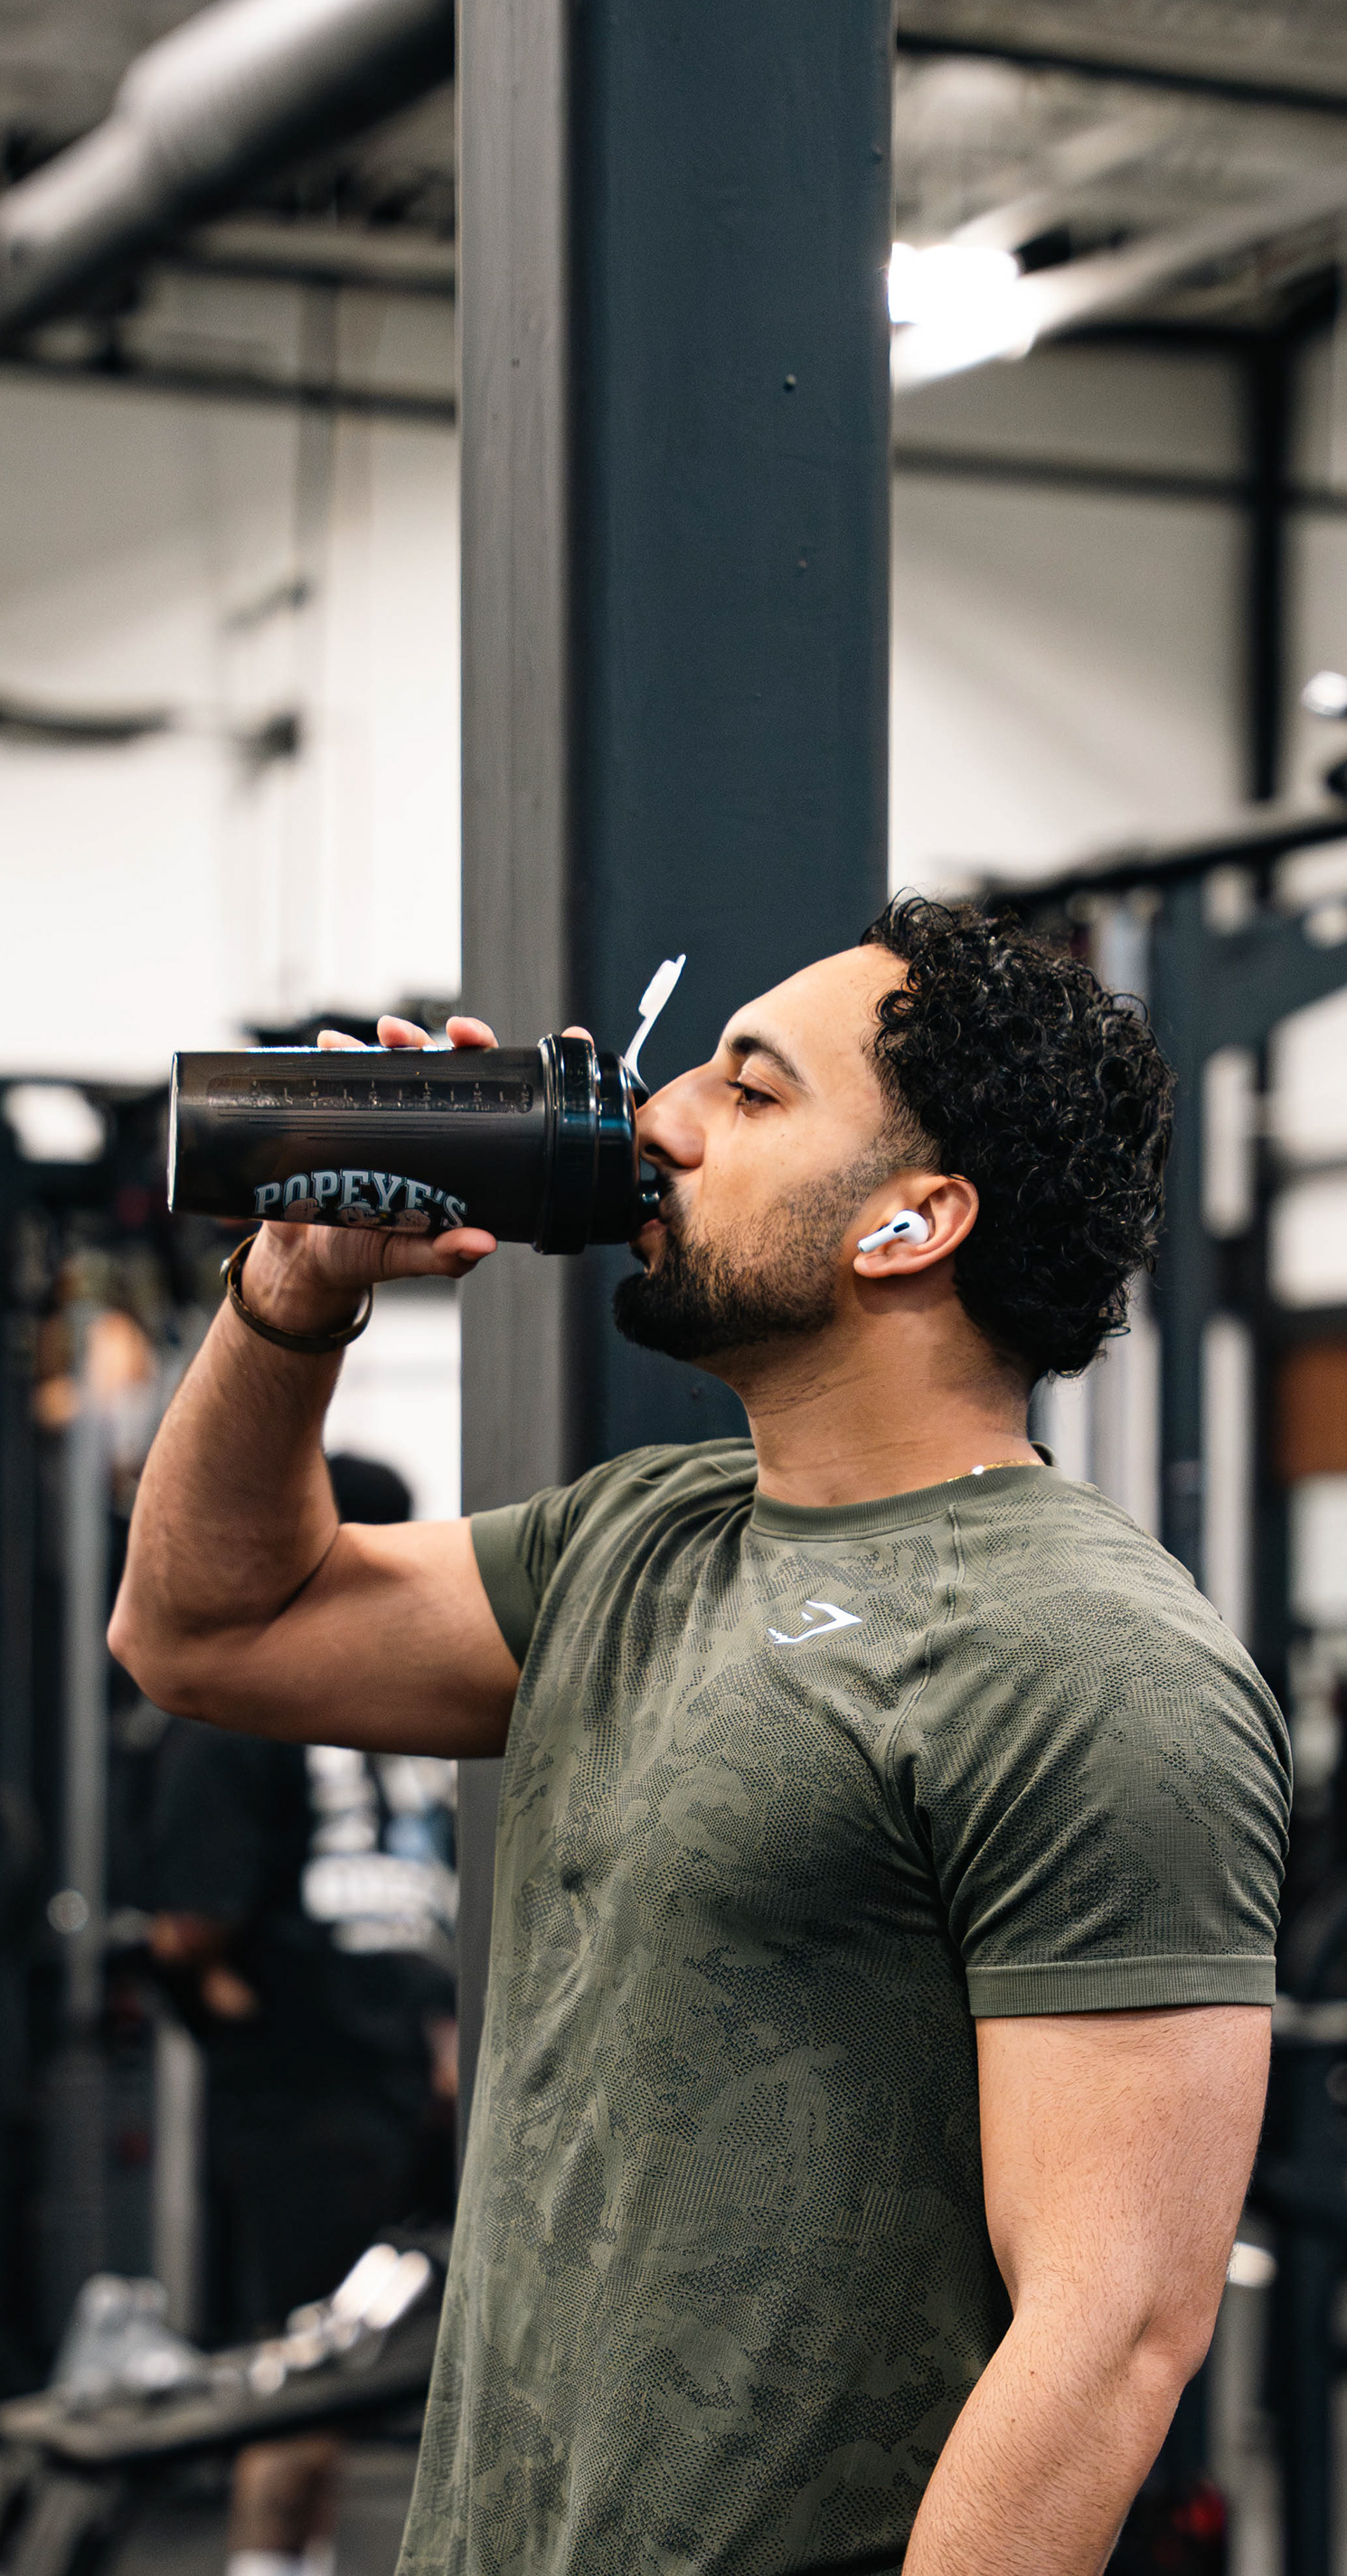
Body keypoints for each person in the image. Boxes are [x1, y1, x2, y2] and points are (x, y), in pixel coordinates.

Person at [110, 898, 1288, 2576]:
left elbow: (1109, 2339)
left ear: (911, 1223)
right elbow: (203, 1631)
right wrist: (295, 1292)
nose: (659, 1120)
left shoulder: (1090, 1659)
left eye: (749, 1090)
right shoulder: (638, 1538)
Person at [148, 1451, 457, 2576]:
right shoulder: (308, 1702)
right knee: (302, 2379)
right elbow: (190, 1929)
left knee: (336, 2374)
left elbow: (189, 1929)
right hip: (328, 2083)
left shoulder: (381, 1692)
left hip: (381, 2078)